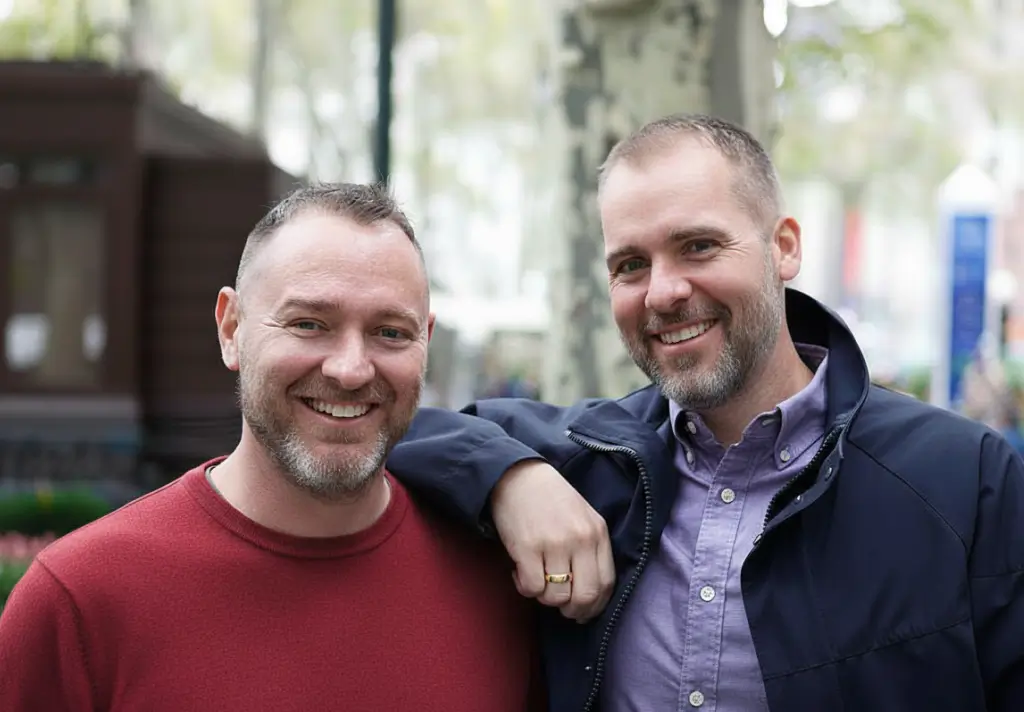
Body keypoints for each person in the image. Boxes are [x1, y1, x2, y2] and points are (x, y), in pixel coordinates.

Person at [386, 114, 1024, 711]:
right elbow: (388, 428)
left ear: (784, 247)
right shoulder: (583, 463)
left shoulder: (966, 479)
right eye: (631, 265)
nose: (662, 293)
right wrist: (513, 480)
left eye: (697, 246)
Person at [0, 183, 544, 711]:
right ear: (231, 329)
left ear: (425, 339)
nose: (351, 369)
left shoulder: (504, 581)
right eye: (309, 324)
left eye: (390, 333)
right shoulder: (81, 599)